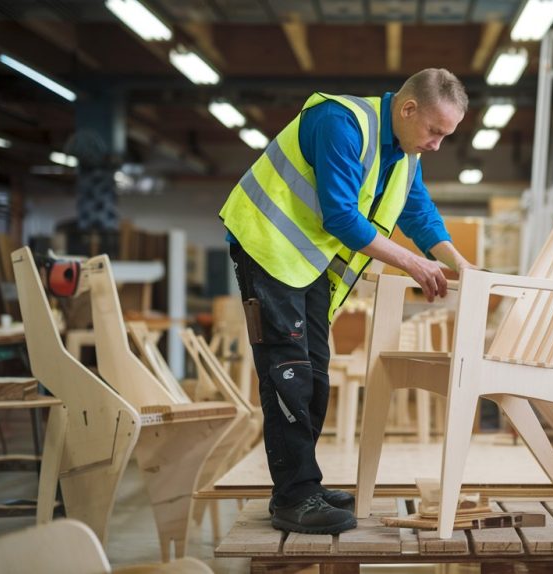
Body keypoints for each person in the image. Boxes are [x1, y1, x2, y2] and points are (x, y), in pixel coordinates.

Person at [219, 68, 475, 535]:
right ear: (408, 108)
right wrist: (413, 265)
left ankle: (303, 486)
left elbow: (417, 212)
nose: (438, 144)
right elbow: (341, 216)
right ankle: (294, 497)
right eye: (435, 131)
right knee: (288, 374)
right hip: (265, 244)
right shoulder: (342, 122)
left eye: (446, 135)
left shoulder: (405, 152)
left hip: (305, 260)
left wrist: (461, 264)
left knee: (315, 373)